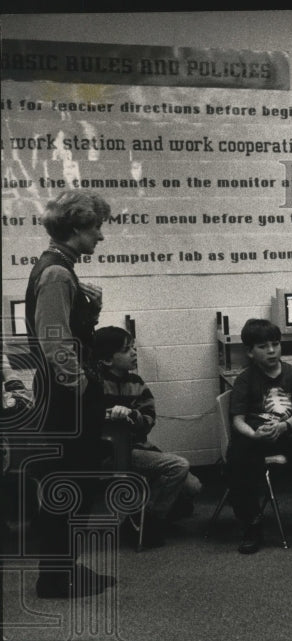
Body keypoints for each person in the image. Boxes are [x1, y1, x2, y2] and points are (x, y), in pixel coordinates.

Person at [25, 189, 113, 598]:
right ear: (76, 228)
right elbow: (55, 343)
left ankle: (64, 569)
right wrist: (83, 387)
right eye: (96, 228)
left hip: (66, 396)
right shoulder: (57, 273)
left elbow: (70, 333)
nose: (100, 236)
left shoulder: (62, 268)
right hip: (66, 399)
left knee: (75, 484)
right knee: (69, 485)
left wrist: (89, 309)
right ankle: (55, 579)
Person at [226, 319, 292, 554]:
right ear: (250, 352)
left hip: (287, 431)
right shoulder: (244, 379)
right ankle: (251, 523)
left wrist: (284, 426)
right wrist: (253, 434)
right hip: (256, 435)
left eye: (275, 344)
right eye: (263, 346)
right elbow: (237, 420)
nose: (271, 350)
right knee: (237, 458)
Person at [92, 326, 202, 547]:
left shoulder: (136, 382)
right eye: (126, 350)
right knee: (178, 466)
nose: (134, 352)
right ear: (107, 360)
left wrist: (133, 415)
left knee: (194, 487)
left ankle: (148, 511)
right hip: (111, 452)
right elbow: (90, 421)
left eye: (133, 347)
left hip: (138, 448)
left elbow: (149, 419)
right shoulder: (94, 385)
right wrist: (109, 414)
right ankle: (146, 522)